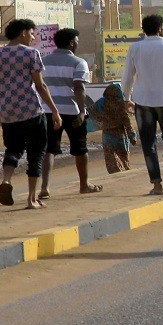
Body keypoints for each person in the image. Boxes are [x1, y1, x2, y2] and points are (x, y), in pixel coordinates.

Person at [0, 19, 63, 209]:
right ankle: (31, 199)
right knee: (36, 154)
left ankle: (6, 180)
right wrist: (54, 110)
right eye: (31, 33)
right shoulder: (31, 54)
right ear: (22, 33)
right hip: (31, 112)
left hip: (8, 113)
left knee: (12, 149)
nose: (33, 37)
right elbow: (40, 85)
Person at [122, 14, 163, 195]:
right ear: (160, 28)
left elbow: (127, 75)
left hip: (142, 102)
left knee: (148, 144)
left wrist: (126, 97)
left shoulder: (135, 48)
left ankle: (157, 185)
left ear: (144, 29)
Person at [39, 28, 102, 199]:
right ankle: (84, 185)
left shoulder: (44, 61)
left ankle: (45, 187)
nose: (77, 44)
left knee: (49, 150)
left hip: (49, 111)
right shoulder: (78, 62)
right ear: (72, 43)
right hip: (72, 111)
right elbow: (79, 88)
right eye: (76, 41)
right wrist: (82, 111)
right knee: (80, 149)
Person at [92, 83, 137, 173]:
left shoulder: (101, 102)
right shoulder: (121, 104)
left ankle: (116, 173)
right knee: (124, 161)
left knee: (111, 160)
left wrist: (101, 120)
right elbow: (127, 122)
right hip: (120, 136)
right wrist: (132, 136)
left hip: (107, 135)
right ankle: (123, 176)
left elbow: (92, 112)